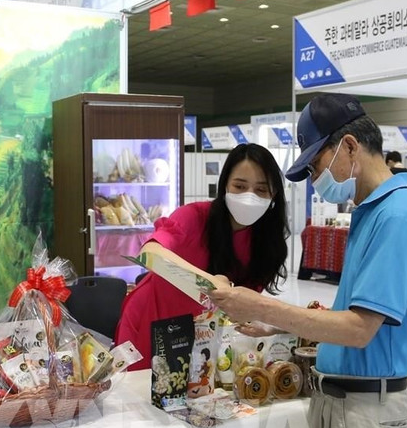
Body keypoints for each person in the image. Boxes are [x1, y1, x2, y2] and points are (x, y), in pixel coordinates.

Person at [209, 94, 407, 428]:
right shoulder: (374, 212)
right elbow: (350, 314)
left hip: (363, 411)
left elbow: (358, 329)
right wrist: (277, 326)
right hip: (342, 404)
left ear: (350, 146)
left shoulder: (398, 217)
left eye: (316, 166)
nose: (317, 179)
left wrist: (260, 306)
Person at [114, 143, 289, 370]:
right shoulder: (194, 216)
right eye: (239, 186)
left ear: (273, 194)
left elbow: (242, 308)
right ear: (225, 185)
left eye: (261, 190)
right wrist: (211, 283)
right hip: (150, 322)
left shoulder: (267, 244)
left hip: (203, 336)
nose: (249, 197)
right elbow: (151, 253)